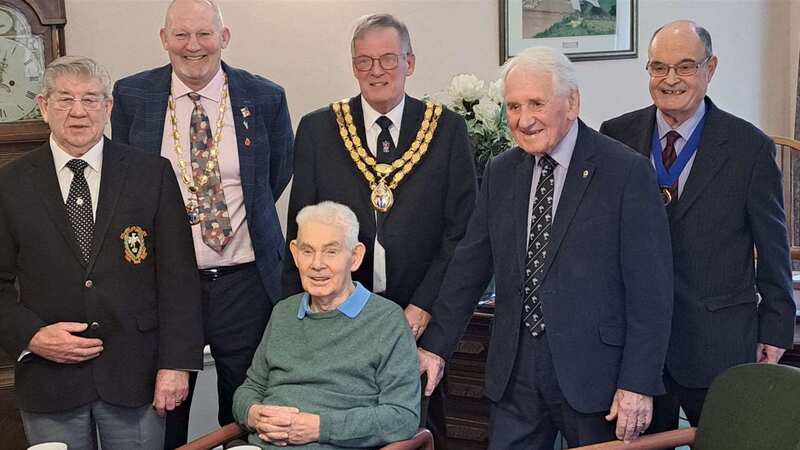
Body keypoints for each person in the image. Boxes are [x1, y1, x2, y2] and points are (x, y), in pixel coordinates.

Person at [417, 46, 674, 449]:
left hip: (596, 379)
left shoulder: (625, 171)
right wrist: (436, 346)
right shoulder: (501, 172)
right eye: (514, 106)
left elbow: (651, 292)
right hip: (515, 372)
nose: (524, 119)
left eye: (536, 103)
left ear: (571, 103)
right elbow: (469, 267)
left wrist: (637, 383)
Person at [280, 13, 475, 448]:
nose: (376, 72)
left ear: (410, 62)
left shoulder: (446, 129)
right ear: (353, 66)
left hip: (419, 316)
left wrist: (424, 305)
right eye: (364, 61)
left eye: (388, 59)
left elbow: (459, 234)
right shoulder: (318, 129)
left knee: (417, 430)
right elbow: (301, 234)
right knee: (339, 426)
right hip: (340, 318)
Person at [111, 0, 294, 446]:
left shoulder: (264, 96)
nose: (193, 47)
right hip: (167, 285)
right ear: (164, 39)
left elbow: (275, 175)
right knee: (166, 404)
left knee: (247, 407)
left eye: (204, 34)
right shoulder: (133, 96)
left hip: (245, 283)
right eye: (181, 35)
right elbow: (128, 182)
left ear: (224, 37)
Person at [599, 20, 796, 435]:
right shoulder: (615, 136)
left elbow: (773, 247)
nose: (671, 80)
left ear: (711, 68)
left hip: (717, 341)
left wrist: (776, 326)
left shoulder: (750, 147)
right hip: (635, 349)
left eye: (685, 67)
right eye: (658, 67)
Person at [0, 56, 203, 450]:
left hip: (136, 377)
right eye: (65, 100)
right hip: (50, 381)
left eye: (91, 99)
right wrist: (32, 336)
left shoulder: (151, 174)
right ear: (43, 107)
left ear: (108, 108)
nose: (78, 112)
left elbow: (179, 280)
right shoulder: (9, 184)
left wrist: (176, 364)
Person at [233, 201, 420, 449]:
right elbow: (250, 389)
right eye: (308, 251)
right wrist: (254, 414)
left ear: (355, 257)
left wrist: (321, 428)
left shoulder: (387, 321)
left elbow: (402, 417)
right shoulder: (283, 312)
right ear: (295, 254)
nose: (317, 264)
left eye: (331, 251)